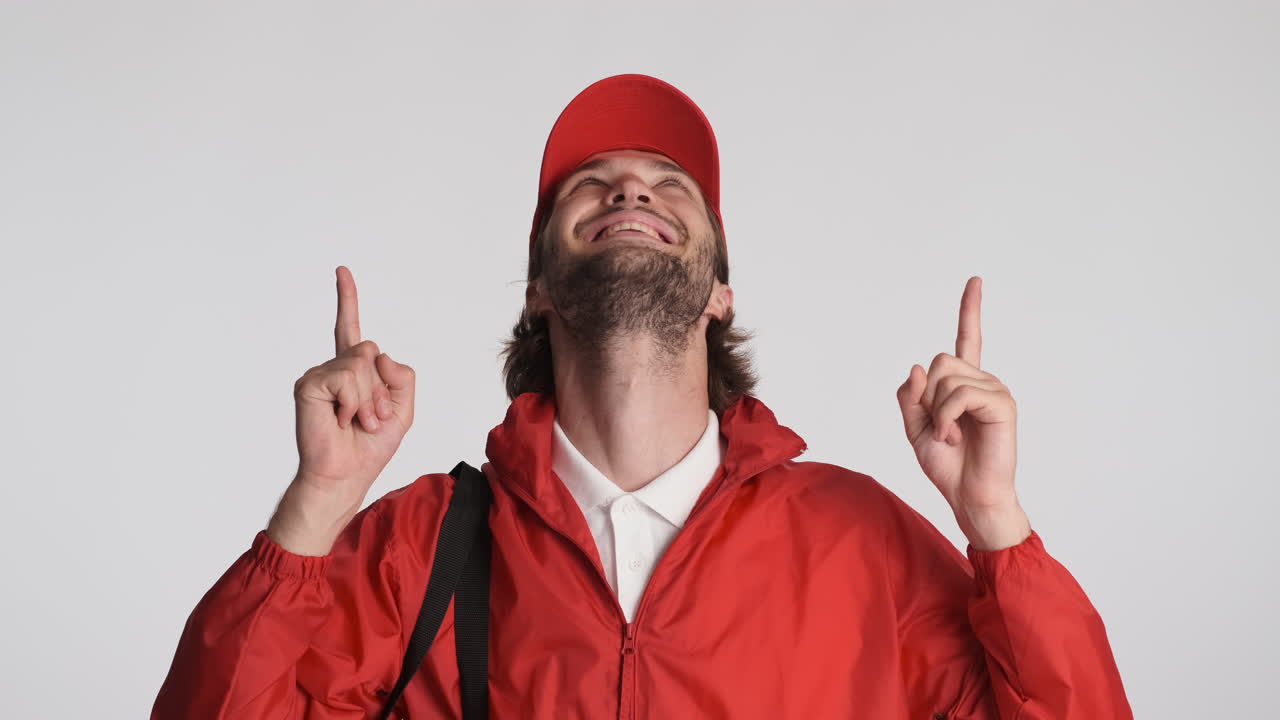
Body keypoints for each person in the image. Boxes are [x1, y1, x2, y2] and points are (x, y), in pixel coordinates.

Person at [151, 73, 1133, 719]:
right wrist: (317, 503)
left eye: (669, 186)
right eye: (592, 184)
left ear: (717, 294)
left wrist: (996, 526)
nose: (629, 192)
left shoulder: (860, 542)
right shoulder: (418, 549)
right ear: (535, 288)